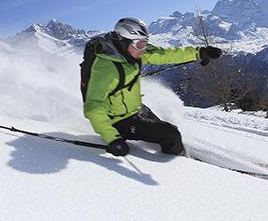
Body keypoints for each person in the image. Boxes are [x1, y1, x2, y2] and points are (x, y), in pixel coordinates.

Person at [82, 17, 222, 157]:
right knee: (170, 133)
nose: (144, 49)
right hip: (118, 122)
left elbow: (165, 55)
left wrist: (199, 52)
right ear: (123, 41)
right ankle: (180, 164)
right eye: (140, 44)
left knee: (162, 128)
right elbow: (93, 107)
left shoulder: (131, 53)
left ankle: (176, 152)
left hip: (135, 109)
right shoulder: (106, 69)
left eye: (145, 43)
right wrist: (113, 139)